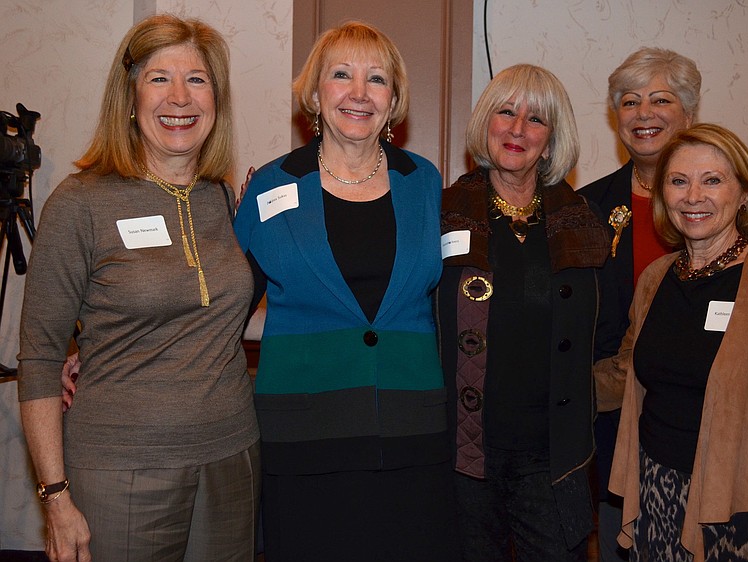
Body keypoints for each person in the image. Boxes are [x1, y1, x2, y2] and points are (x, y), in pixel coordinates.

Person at [16, 14, 260, 562]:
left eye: (197, 79)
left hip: (231, 456)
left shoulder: (220, 198)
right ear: (128, 97)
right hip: (119, 468)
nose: (179, 97)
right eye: (158, 78)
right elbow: (38, 360)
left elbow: (216, 312)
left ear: (216, 99)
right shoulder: (80, 203)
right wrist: (55, 498)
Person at [232, 21, 456, 562]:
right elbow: (224, 304)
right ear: (314, 93)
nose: (358, 93)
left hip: (410, 426)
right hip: (304, 429)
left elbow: (450, 303)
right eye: (341, 75)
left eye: (376, 79)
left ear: (394, 100)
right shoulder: (271, 185)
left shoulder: (425, 181)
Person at [578, 47, 748, 562]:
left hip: (735, 468)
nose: (644, 113)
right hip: (637, 447)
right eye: (630, 102)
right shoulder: (598, 212)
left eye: (660, 99)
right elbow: (602, 341)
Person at [437, 64, 611, 562]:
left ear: (552, 139)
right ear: (484, 124)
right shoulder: (441, 211)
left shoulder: (583, 223)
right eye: (506, 112)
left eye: (535, 120)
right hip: (463, 454)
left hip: (554, 458)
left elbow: (612, 330)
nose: (517, 129)